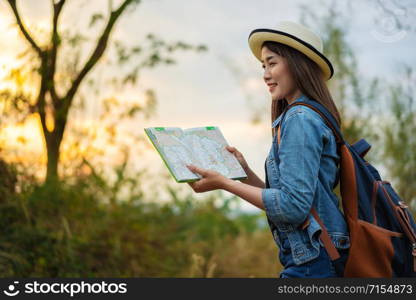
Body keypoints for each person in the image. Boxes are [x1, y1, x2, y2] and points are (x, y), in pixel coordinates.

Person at [186, 21, 349, 278]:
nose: (265, 74)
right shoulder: (304, 116)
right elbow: (287, 204)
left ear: (298, 64)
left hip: (314, 261)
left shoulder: (300, 118)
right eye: (263, 66)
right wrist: (243, 173)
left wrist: (224, 184)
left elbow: (293, 207)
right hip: (317, 257)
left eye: (272, 63)